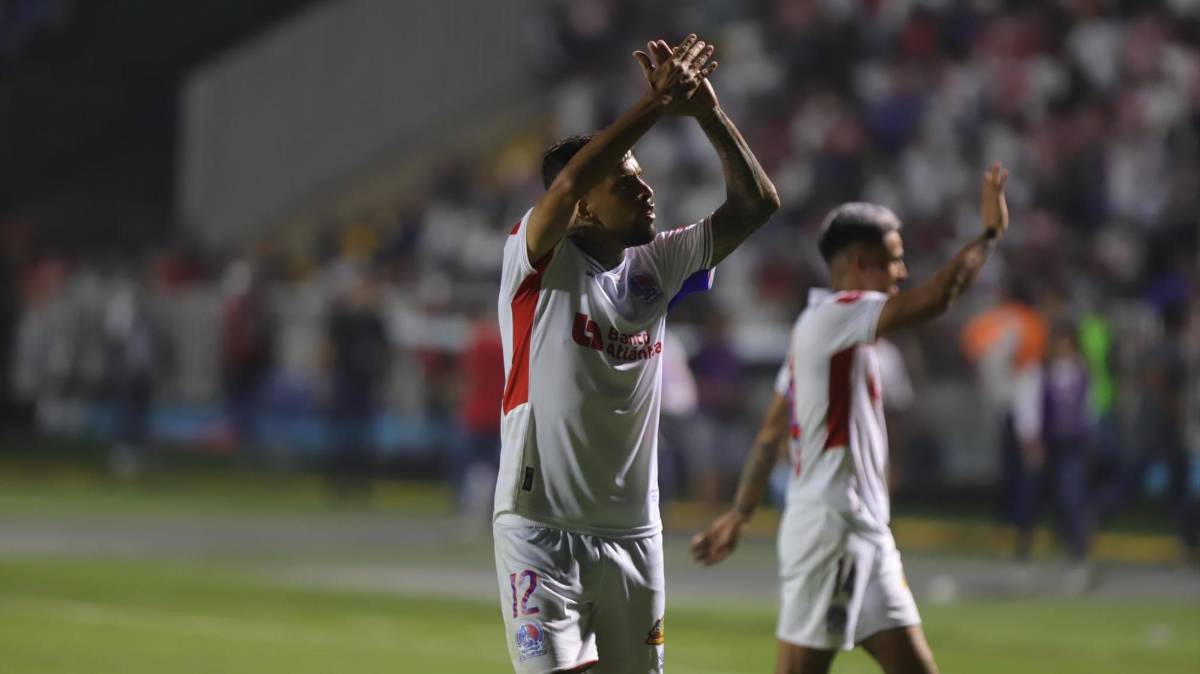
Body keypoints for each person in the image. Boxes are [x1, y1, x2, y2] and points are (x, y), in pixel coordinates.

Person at [493, 34, 779, 673]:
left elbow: (757, 206)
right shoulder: (535, 258)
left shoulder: (657, 266)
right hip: (540, 527)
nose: (646, 189)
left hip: (633, 534)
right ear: (581, 210)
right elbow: (568, 180)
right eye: (625, 183)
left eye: (643, 178)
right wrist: (653, 105)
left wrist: (705, 111)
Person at [692, 163, 1010, 674]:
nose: (902, 273)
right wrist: (990, 235)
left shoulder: (817, 328)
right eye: (895, 261)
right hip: (832, 528)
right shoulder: (841, 314)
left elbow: (774, 429)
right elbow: (937, 299)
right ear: (862, 264)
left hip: (863, 529)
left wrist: (741, 513)